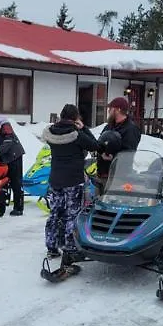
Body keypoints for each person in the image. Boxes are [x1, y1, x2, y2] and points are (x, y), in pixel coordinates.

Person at [42, 104, 100, 259]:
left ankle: (52, 246)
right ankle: (70, 248)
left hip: (55, 179)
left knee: (55, 213)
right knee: (72, 214)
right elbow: (95, 145)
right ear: (75, 118)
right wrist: (83, 128)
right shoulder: (76, 134)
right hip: (73, 180)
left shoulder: (51, 133)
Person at [96, 97, 142, 193]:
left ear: (118, 109)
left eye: (110, 108)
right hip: (103, 174)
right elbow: (100, 142)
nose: (108, 111)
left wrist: (113, 158)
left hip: (118, 177)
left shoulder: (130, 129)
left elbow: (128, 154)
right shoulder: (109, 126)